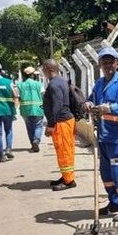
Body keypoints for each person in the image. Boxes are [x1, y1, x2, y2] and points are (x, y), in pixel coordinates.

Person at [85, 46, 118, 222]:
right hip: (104, 137)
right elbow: (91, 99)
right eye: (104, 62)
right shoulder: (99, 84)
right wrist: (88, 104)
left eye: (110, 62)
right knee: (107, 173)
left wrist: (111, 108)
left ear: (117, 63)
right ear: (99, 64)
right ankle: (115, 202)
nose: (107, 65)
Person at [41, 59, 76, 191]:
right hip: (65, 121)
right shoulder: (61, 81)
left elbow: (57, 105)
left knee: (64, 151)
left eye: (43, 69)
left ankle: (69, 181)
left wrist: (50, 125)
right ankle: (66, 176)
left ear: (49, 69)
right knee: (65, 150)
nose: (43, 72)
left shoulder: (54, 84)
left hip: (61, 122)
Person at [19, 66, 45, 153]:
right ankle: (36, 141)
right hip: (37, 108)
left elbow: (17, 96)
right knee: (38, 126)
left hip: (25, 109)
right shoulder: (38, 84)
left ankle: (32, 143)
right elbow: (43, 95)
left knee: (29, 127)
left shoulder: (20, 85)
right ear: (32, 75)